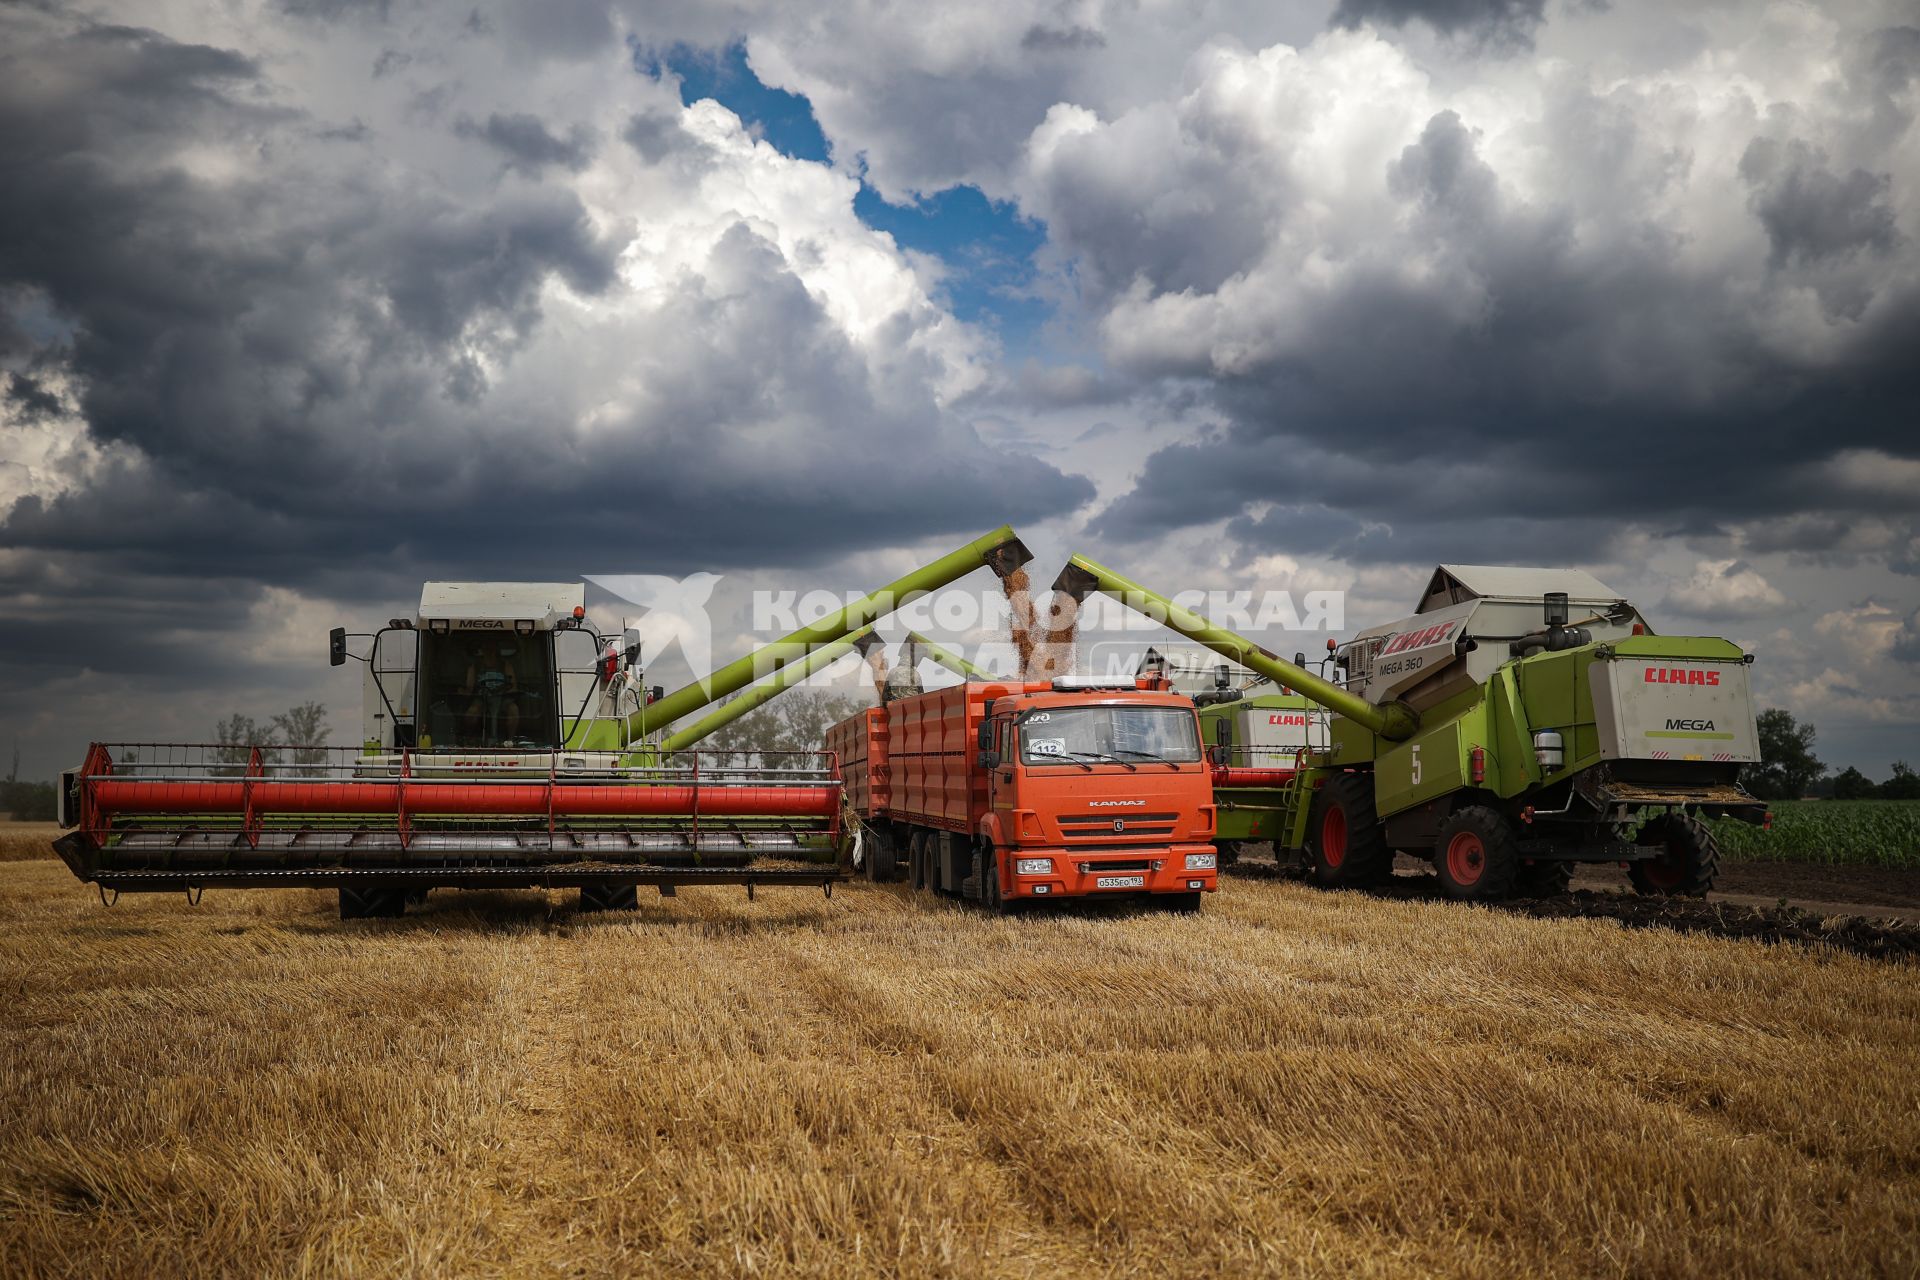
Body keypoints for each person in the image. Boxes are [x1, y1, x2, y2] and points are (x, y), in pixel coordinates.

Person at [460, 636, 520, 745]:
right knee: (472, 712)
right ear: (481, 650)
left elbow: (513, 686)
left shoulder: (505, 665)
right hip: (481, 698)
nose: (489, 650)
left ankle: (510, 740)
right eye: (486, 647)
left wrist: (506, 691)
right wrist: (462, 691)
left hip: (502, 697)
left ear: (496, 649)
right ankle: (469, 738)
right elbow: (469, 688)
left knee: (513, 710)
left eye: (492, 647)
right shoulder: (474, 667)